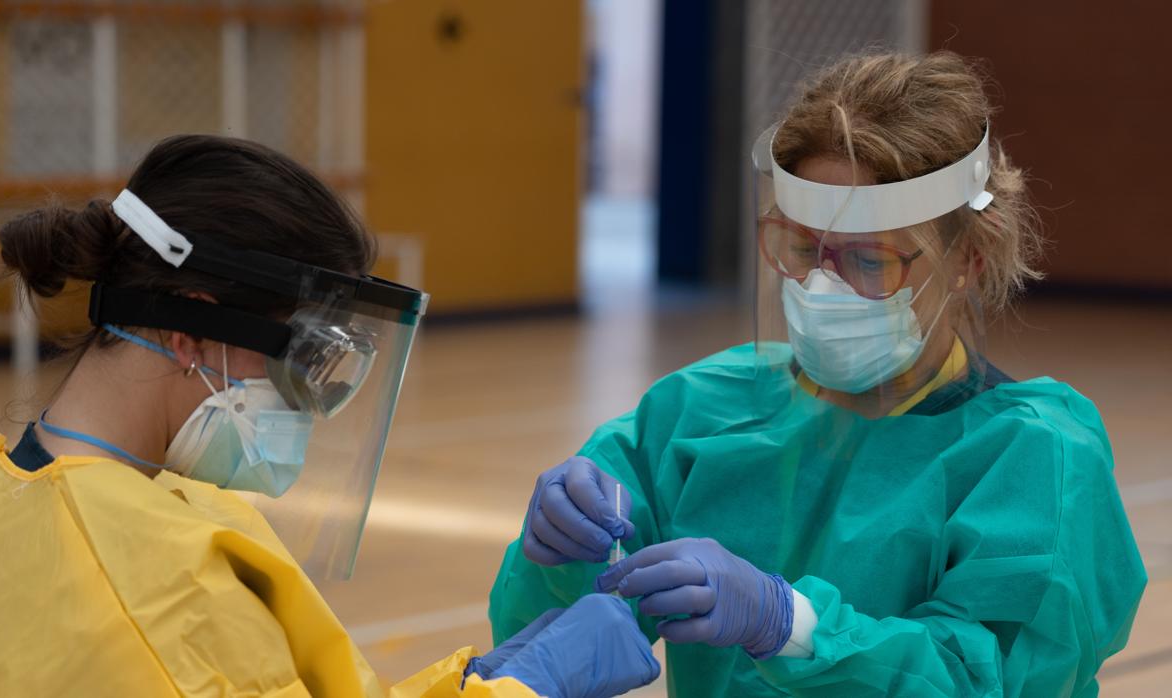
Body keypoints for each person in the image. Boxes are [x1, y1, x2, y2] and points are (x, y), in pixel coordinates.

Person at [489, 51, 1146, 696]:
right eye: (802, 248)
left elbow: (993, 679)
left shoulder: (1031, 458)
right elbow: (552, 635)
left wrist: (792, 627)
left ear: (967, 258)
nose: (821, 285)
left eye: (870, 261)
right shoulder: (699, 413)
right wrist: (561, 554)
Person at [0, 135, 660, 697]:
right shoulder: (162, 580)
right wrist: (531, 689)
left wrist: (476, 681)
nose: (307, 404)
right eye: (301, 359)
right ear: (191, 332)